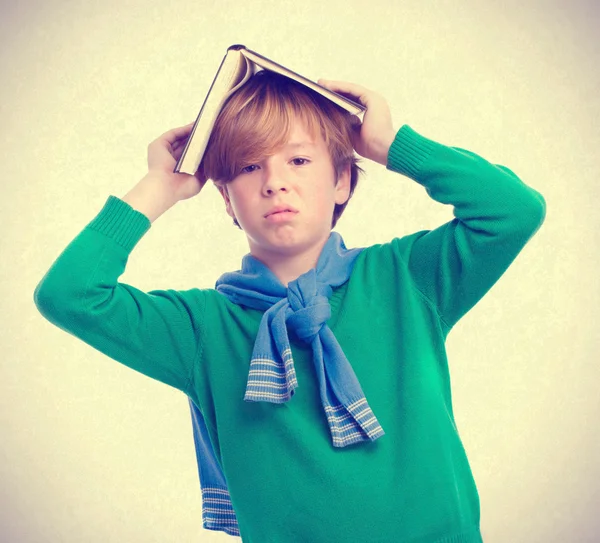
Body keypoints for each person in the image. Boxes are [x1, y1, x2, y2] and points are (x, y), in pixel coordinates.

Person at [33, 70, 546, 543]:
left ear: (342, 180)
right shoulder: (202, 330)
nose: (274, 181)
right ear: (227, 201)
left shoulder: (407, 277)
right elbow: (69, 294)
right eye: (249, 166)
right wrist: (158, 187)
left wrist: (391, 146)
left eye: (299, 160)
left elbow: (514, 210)